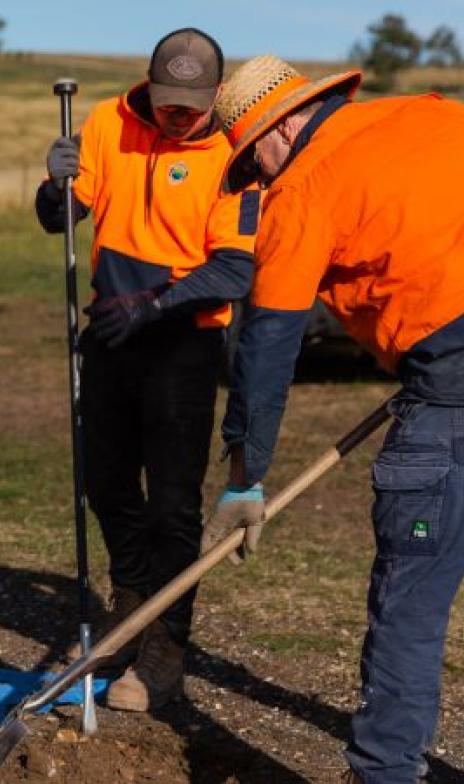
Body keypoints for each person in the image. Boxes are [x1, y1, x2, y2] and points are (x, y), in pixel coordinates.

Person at [204, 54, 464, 784]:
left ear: (280, 127)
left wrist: (244, 479)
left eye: (253, 159)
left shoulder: (302, 191)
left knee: (410, 605)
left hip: (449, 401)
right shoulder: (432, 113)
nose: (257, 180)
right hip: (446, 369)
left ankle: (383, 774)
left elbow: (266, 349)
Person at [35, 28, 259, 712]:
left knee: (172, 506)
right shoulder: (107, 122)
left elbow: (232, 268)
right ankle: (127, 610)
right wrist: (55, 180)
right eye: (167, 101)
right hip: (109, 334)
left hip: (182, 346)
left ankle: (165, 646)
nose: (178, 115)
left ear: (215, 94)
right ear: (149, 86)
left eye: (191, 103)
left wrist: (154, 302)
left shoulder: (236, 155)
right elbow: (59, 219)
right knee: (105, 485)